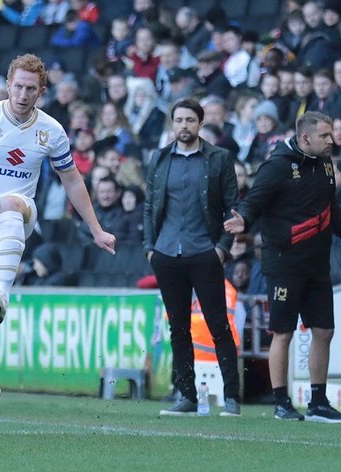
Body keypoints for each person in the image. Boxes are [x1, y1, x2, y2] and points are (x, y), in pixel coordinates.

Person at [0, 54, 116, 429]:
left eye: (31, 88)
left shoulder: (52, 131)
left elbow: (72, 181)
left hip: (18, 208)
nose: (23, 94)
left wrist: (96, 228)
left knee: (11, 203)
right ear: (8, 84)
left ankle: (3, 293)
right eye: (17, 86)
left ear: (42, 91)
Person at [223, 111, 341, 423]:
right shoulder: (277, 166)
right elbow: (254, 201)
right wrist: (243, 220)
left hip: (317, 264)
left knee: (325, 330)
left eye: (332, 134)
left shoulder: (326, 163)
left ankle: (318, 403)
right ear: (305, 139)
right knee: (284, 333)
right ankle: (281, 402)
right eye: (325, 136)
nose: (332, 140)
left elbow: (332, 209)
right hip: (284, 264)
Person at [144, 98, 242, 417]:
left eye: (189, 120)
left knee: (218, 325)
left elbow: (233, 206)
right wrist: (151, 247)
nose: (183, 126)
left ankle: (231, 397)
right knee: (179, 328)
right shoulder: (159, 158)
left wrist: (222, 248)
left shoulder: (219, 159)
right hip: (167, 253)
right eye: (179, 120)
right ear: (172, 124)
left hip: (204, 252)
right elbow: (149, 207)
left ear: (200, 124)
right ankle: (186, 395)